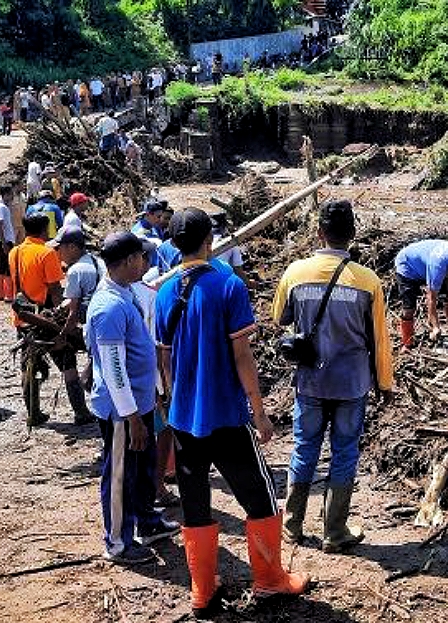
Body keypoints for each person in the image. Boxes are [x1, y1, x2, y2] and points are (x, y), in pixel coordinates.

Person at [155, 208, 310, 617]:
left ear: (173, 243)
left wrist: (176, 400)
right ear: (210, 239)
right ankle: (270, 580)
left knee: (194, 503)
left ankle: (203, 591)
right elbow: (243, 355)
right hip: (225, 413)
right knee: (259, 498)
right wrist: (259, 412)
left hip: (184, 419)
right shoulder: (229, 284)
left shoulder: (165, 291)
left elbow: (165, 359)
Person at [272, 199, 394, 553]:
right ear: (352, 236)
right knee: (344, 452)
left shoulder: (295, 272)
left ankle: (292, 527)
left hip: (310, 380)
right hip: (351, 383)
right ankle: (334, 531)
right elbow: (380, 340)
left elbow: (279, 317)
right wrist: (384, 383)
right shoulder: (368, 281)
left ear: (320, 233)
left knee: (304, 447)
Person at [84, 232, 180, 563]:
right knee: (121, 474)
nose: (145, 263)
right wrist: (132, 417)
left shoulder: (125, 293)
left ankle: (147, 523)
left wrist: (151, 395)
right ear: (127, 261)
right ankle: (117, 542)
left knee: (141, 469)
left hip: (139, 404)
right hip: (121, 412)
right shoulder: (109, 307)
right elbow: (113, 370)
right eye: (141, 257)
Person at [10, 213, 89, 425]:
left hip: (23, 318)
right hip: (46, 317)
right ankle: (81, 412)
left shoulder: (14, 252)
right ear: (44, 230)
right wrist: (62, 323)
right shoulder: (46, 253)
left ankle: (33, 413)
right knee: (67, 362)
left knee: (30, 364)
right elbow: (55, 289)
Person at [393, 239, 448, 347]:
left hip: (426, 263)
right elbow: (431, 299)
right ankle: (407, 343)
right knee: (409, 308)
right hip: (408, 267)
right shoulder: (438, 266)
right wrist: (435, 327)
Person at [208, 210, 248, 282]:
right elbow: (238, 271)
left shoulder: (200, 243)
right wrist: (249, 283)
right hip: (221, 283)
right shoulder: (231, 244)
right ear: (224, 227)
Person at [0, 185, 17, 303]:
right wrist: (4, 243)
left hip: (4, 240)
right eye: (11, 194)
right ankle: (8, 294)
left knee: (2, 266)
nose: (13, 196)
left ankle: (2, 293)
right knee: (7, 267)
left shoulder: (2, 207)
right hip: (5, 241)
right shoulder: (2, 208)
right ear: (6, 194)